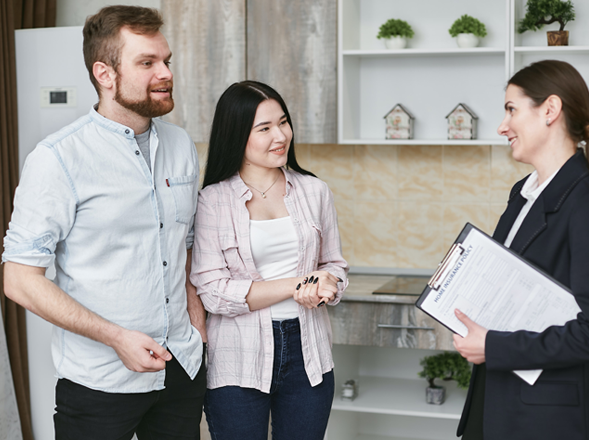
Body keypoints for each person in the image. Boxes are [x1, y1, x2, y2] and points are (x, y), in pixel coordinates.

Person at [2, 6, 207, 439]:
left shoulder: (181, 145)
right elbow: (19, 279)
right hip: (99, 383)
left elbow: (183, 242)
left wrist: (196, 320)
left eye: (166, 60)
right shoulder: (58, 159)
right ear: (105, 73)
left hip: (180, 370)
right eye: (147, 63)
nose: (165, 73)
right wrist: (115, 336)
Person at [453, 59, 589, 440]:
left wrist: (494, 346)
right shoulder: (523, 193)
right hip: (497, 401)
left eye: (511, 110)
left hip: (546, 418)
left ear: (549, 110)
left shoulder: (588, 204)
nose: (502, 126)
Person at [190, 80, 348, 440]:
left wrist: (327, 283)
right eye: (264, 128)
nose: (280, 135)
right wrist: (297, 286)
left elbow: (335, 264)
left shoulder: (314, 190)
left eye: (283, 122)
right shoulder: (213, 201)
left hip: (309, 354)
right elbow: (214, 293)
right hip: (237, 357)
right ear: (236, 135)